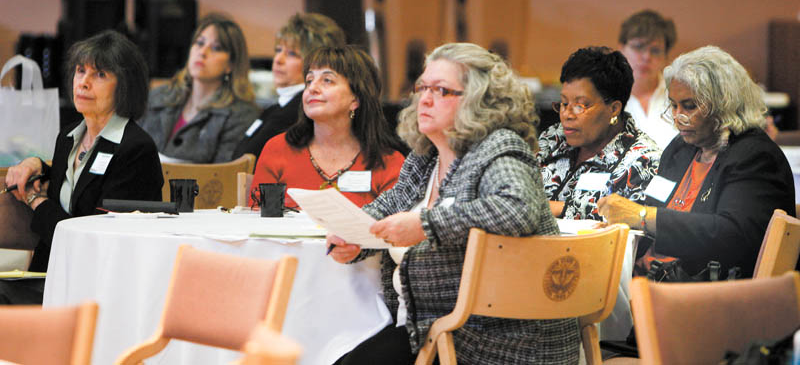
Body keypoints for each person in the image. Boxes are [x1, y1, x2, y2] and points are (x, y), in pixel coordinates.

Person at [329, 43, 580, 365]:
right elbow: (390, 205)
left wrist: (424, 225)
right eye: (423, 87)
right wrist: (355, 236)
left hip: (500, 339)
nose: (426, 99)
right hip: (434, 327)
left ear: (478, 100)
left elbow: (518, 209)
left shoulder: (498, 149)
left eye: (442, 90)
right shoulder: (426, 156)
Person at [598, 46, 795, 278]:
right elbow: (655, 208)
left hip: (702, 292)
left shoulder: (755, 156)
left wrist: (641, 216)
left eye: (689, 106)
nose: (678, 117)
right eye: (673, 105)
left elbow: (730, 235)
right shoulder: (681, 148)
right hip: (649, 275)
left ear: (725, 104)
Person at [1, 31, 163, 304]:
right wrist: (39, 165)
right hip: (51, 275)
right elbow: (80, 187)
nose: (84, 83)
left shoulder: (135, 149)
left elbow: (91, 235)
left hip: (98, 287)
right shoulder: (68, 138)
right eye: (80, 71)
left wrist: (34, 199)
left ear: (124, 86)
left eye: (100, 75)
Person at [251, 45, 404, 209]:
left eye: (327, 80)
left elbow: (391, 229)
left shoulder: (388, 163)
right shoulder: (278, 149)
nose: (312, 88)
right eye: (309, 80)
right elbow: (261, 219)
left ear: (356, 100)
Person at [538, 47, 661, 221]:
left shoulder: (644, 161)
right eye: (564, 103)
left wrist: (560, 209)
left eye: (580, 106)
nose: (567, 115)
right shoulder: (554, 137)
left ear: (613, 109)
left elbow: (637, 221)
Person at [140, 13, 260, 163]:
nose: (202, 52)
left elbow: (223, 177)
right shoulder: (157, 97)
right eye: (199, 43)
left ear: (231, 65)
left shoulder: (241, 114)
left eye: (216, 48)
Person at [232, 13, 346, 159]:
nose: (278, 59)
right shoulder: (277, 107)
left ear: (318, 63)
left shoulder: (305, 111)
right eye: (278, 50)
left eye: (292, 54)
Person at [618, 9, 679, 149]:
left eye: (655, 50)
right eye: (639, 47)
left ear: (666, 56)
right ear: (621, 49)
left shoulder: (679, 96)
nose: (647, 57)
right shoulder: (604, 97)